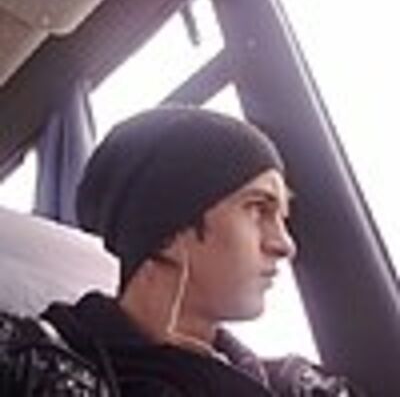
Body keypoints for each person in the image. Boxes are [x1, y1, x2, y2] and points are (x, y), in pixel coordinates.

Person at [0, 107, 361, 396]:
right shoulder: (31, 371)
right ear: (166, 229)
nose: (284, 244)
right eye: (258, 209)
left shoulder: (296, 386)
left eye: (282, 217)